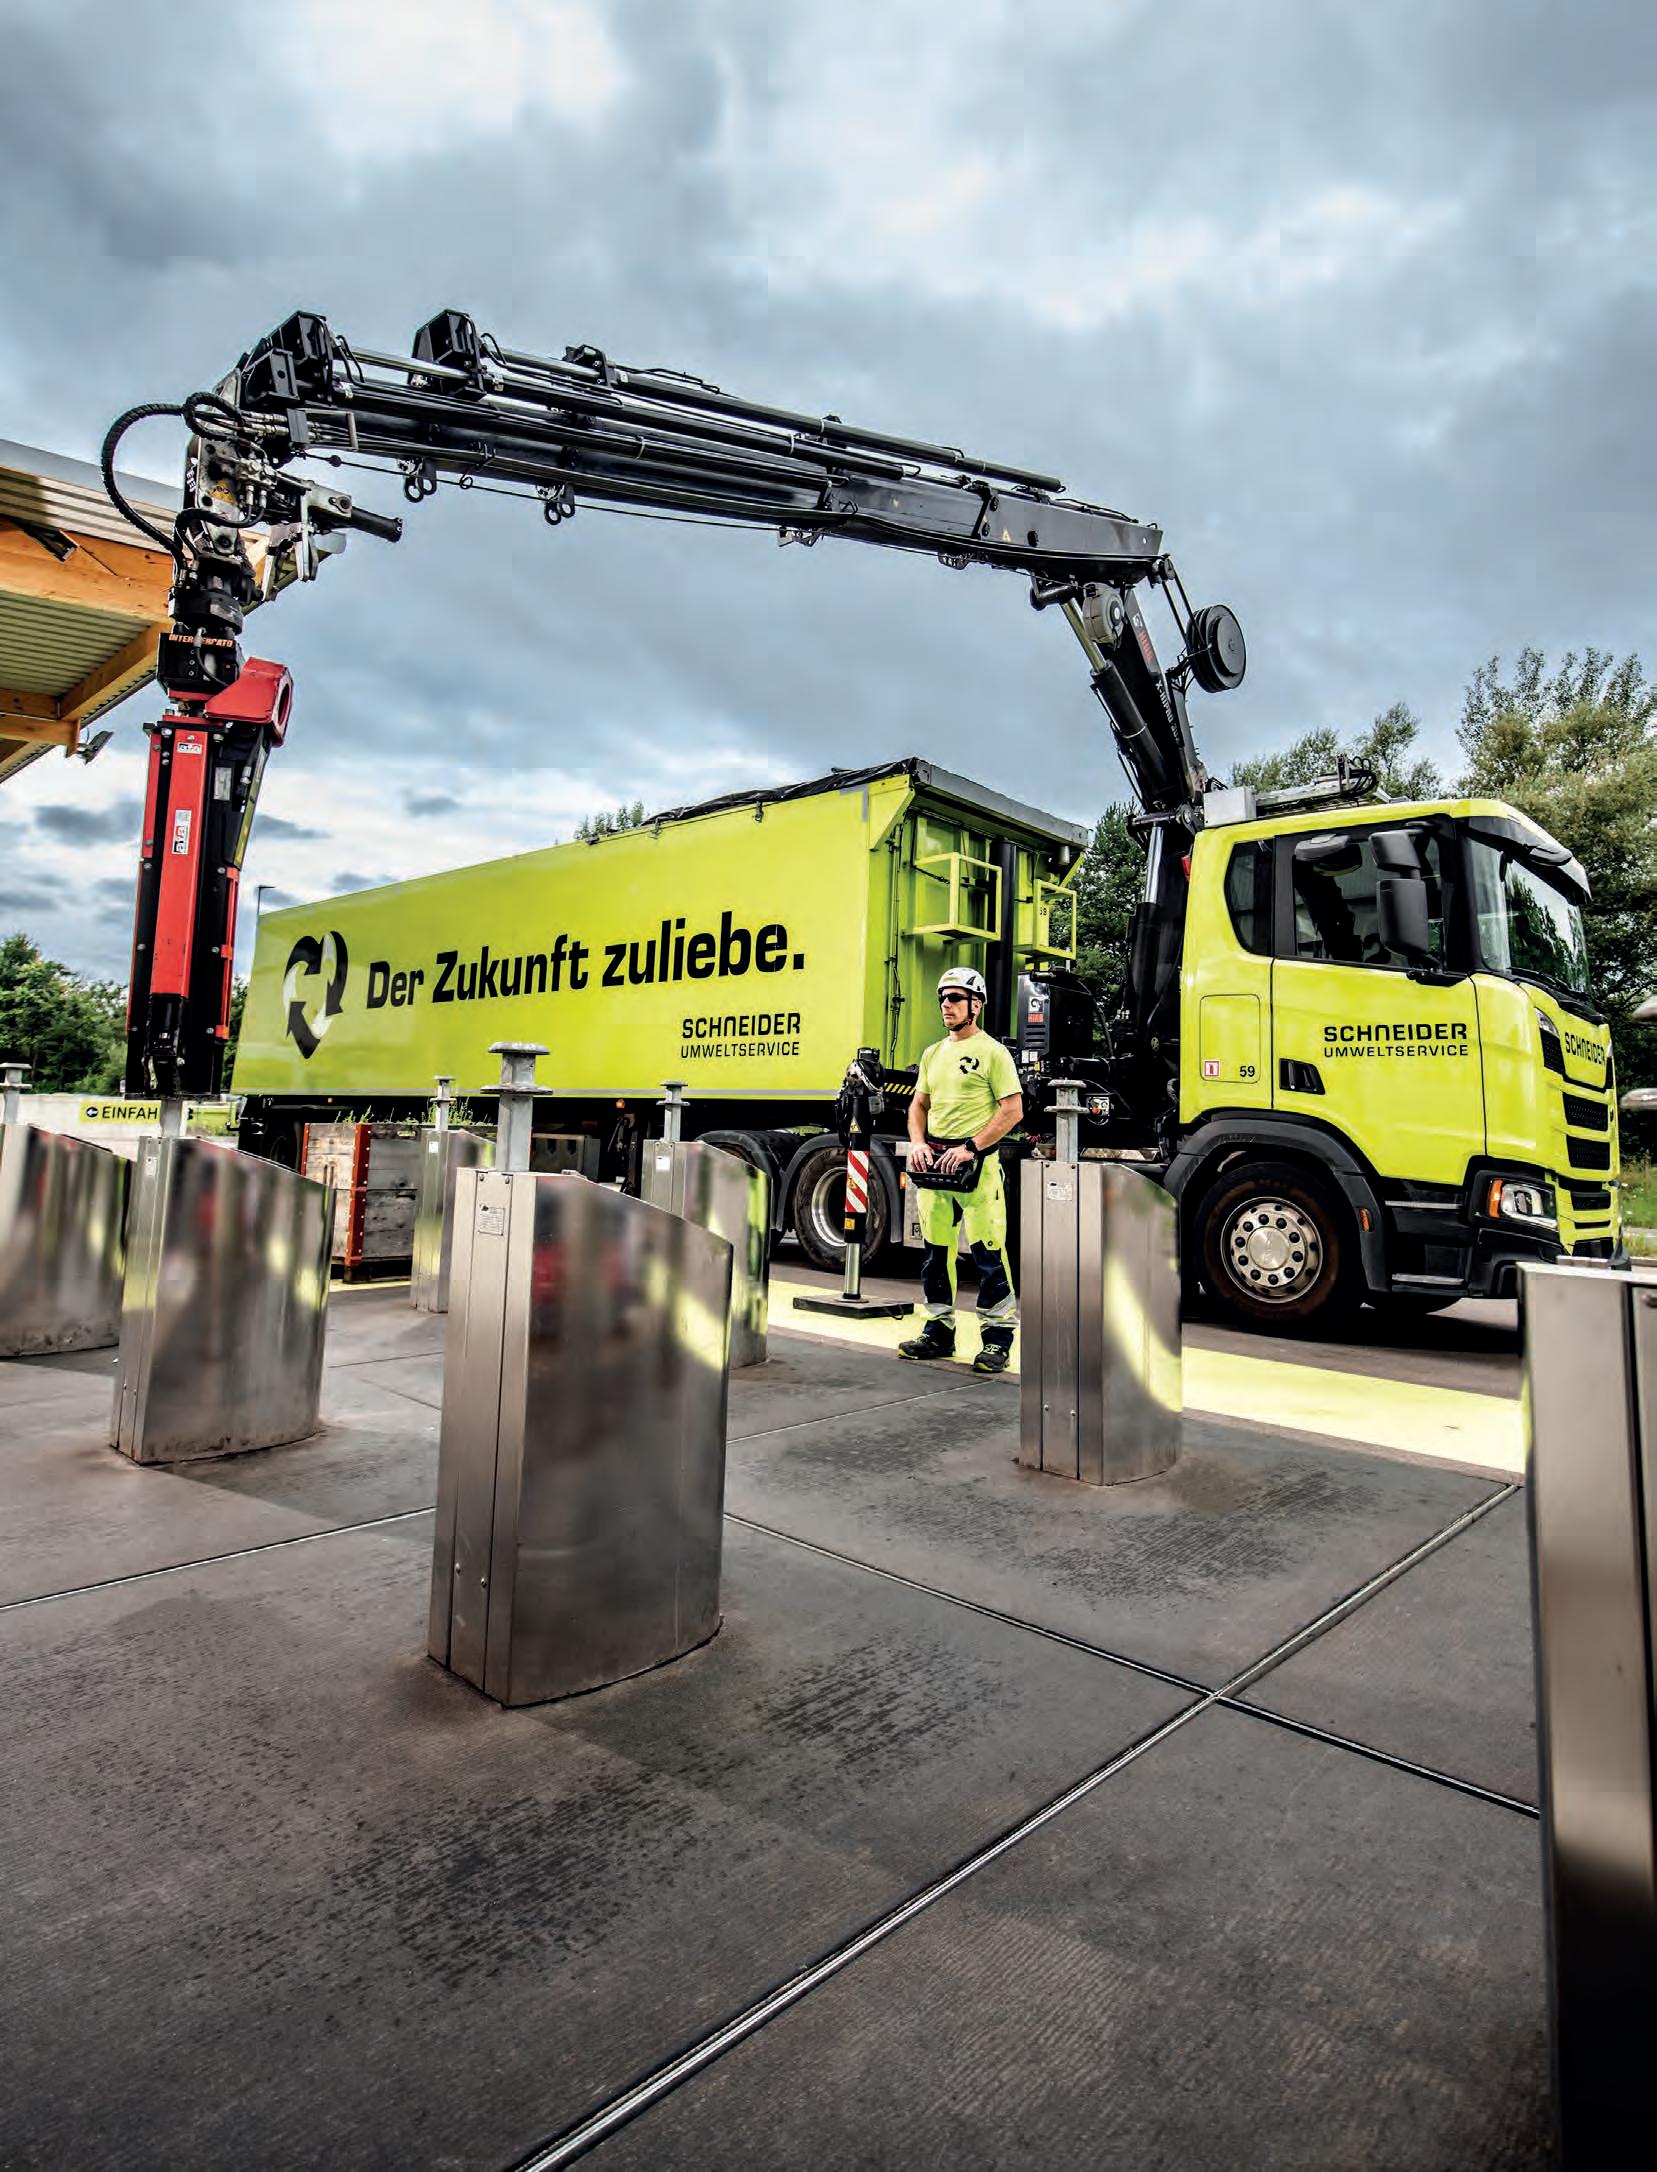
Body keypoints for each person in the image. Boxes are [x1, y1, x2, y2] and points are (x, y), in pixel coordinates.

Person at [899, 965, 1023, 1374]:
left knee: (988, 1255)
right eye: (942, 999)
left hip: (977, 1169)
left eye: (955, 998)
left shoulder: (993, 1053)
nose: (946, 1005)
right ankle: (938, 1331)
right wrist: (918, 1143)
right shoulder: (933, 1054)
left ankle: (997, 1339)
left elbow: (1012, 1110)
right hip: (936, 1167)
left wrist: (971, 1147)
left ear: (976, 1005)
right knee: (936, 1255)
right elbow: (918, 1105)